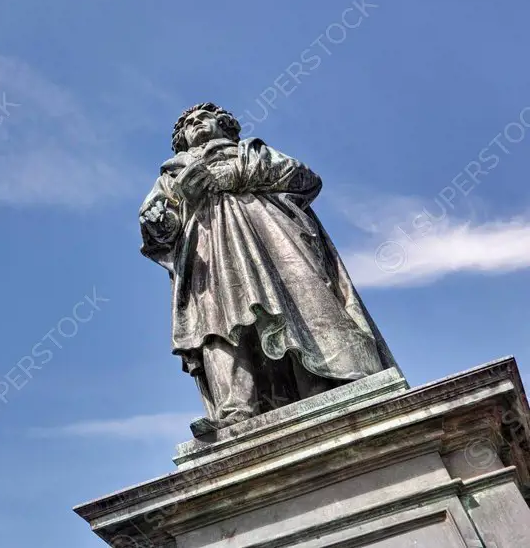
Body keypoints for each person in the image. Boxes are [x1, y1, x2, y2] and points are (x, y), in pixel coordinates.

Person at [139, 102, 398, 435]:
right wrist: (160, 219)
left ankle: (323, 384)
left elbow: (306, 179)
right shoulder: (171, 175)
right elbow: (160, 228)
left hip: (271, 240)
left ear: (224, 124)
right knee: (217, 324)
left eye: (203, 118)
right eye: (187, 124)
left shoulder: (252, 152)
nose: (195, 124)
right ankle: (235, 411)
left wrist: (236, 175)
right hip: (208, 255)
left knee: (297, 307)